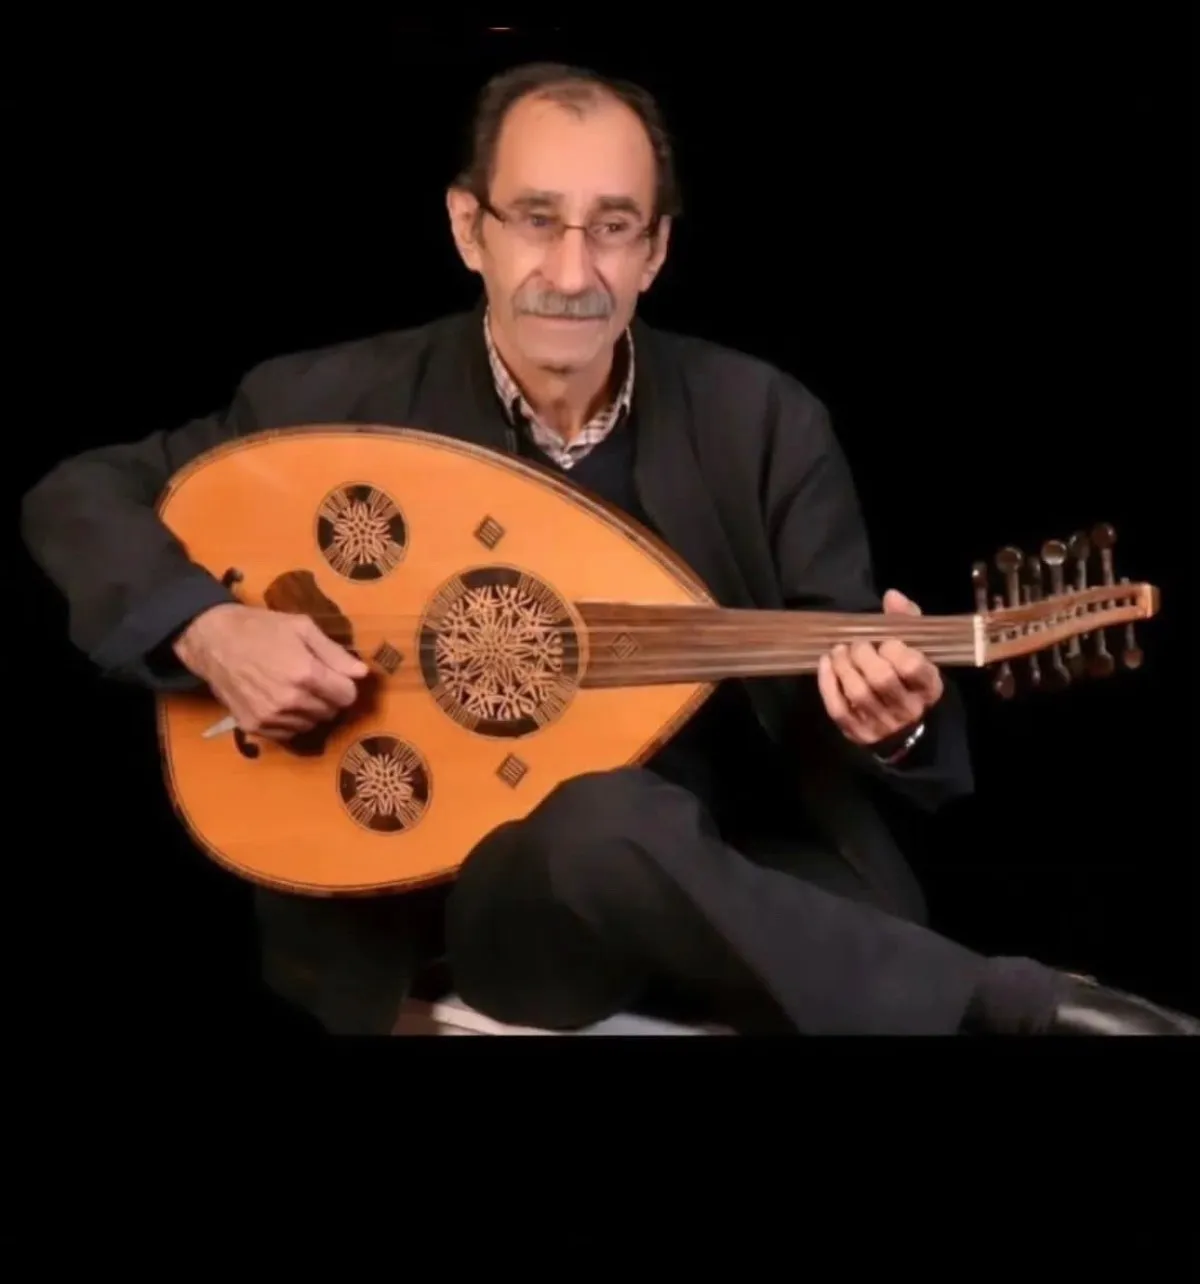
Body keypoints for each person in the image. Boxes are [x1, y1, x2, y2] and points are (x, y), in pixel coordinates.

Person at [21, 61, 1196, 1037]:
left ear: (656, 251)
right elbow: (78, 495)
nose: (572, 273)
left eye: (613, 228)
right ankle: (1015, 1012)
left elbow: (837, 694)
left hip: (747, 867)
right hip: (477, 911)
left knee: (675, 832)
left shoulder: (764, 420)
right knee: (606, 819)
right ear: (468, 227)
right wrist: (209, 625)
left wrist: (890, 720)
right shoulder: (330, 406)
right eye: (536, 220)